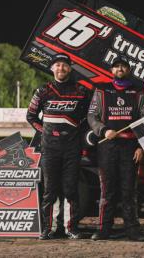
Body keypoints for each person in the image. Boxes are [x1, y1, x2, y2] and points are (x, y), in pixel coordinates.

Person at [27, 54, 90, 240]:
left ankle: (71, 228)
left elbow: (90, 117)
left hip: (72, 148)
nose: (61, 68)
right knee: (50, 191)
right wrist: (45, 132)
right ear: (52, 68)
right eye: (58, 65)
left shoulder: (81, 90)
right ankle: (49, 229)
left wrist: (77, 134)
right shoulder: (42, 90)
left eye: (64, 65)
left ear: (70, 68)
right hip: (49, 149)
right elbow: (31, 116)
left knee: (70, 189)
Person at [87, 56, 144, 241]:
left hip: (130, 147)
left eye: (123, 66)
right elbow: (92, 116)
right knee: (107, 190)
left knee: (129, 190)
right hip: (108, 146)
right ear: (111, 70)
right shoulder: (101, 90)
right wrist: (104, 130)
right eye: (116, 66)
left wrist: (140, 146)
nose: (119, 69)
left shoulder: (138, 91)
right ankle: (104, 229)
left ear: (128, 69)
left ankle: (133, 230)